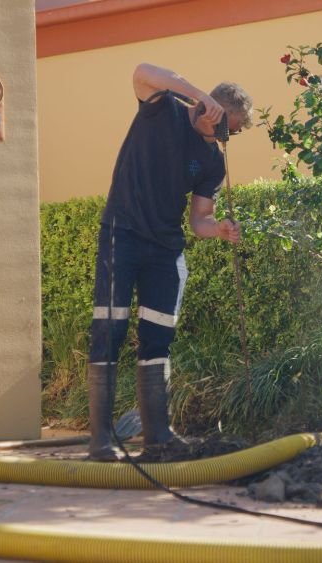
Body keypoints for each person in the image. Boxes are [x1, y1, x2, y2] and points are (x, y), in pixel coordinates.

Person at [86, 63, 253, 461]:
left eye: (239, 130)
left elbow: (199, 221)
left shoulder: (213, 162)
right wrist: (198, 94)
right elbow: (142, 71)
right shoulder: (165, 108)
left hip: (165, 249)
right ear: (211, 110)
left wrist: (221, 229)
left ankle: (158, 437)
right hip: (121, 235)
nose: (233, 136)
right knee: (110, 329)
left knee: (157, 338)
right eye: (232, 126)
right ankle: (101, 441)